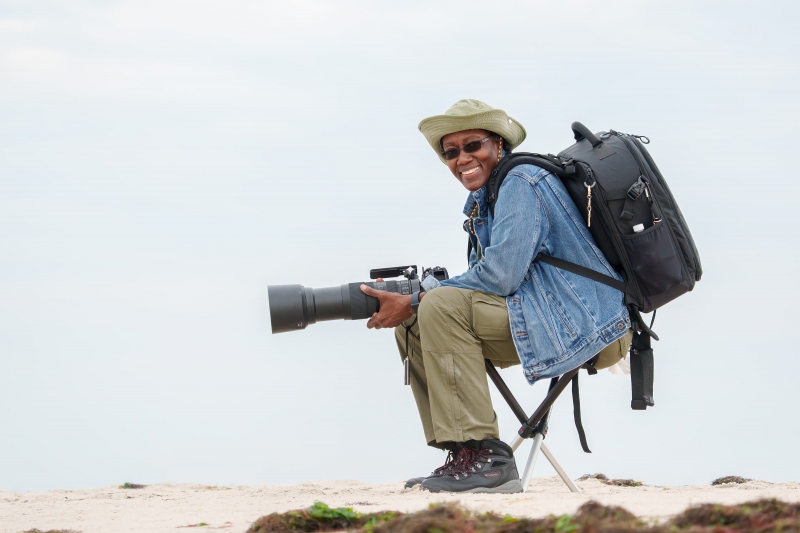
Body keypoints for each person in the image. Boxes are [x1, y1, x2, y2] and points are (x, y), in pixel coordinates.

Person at [360, 99, 632, 494]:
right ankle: (464, 455)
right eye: (451, 152)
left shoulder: (522, 182)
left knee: (434, 306)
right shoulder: (484, 199)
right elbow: (486, 283)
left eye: (473, 146)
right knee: (413, 322)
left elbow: (500, 277)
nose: (462, 159)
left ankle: (489, 459)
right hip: (549, 316)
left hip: (588, 322)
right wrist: (413, 304)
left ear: (499, 145)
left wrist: (420, 296)